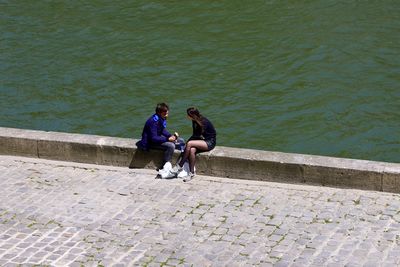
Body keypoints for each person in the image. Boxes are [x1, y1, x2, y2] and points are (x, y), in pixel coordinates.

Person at [171, 107, 216, 182]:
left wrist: (188, 142)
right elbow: (195, 134)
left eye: (188, 115)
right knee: (191, 150)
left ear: (192, 115)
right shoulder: (194, 121)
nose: (187, 116)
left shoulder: (203, 122)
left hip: (210, 141)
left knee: (190, 143)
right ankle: (191, 173)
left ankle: (180, 165)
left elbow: (198, 136)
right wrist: (188, 142)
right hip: (203, 140)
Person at [136, 103, 181, 167]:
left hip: (156, 139)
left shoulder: (161, 118)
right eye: (165, 112)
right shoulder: (153, 121)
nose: (167, 113)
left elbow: (162, 130)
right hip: (150, 142)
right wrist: (167, 139)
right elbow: (153, 138)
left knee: (180, 140)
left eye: (167, 111)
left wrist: (170, 136)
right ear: (159, 112)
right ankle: (165, 165)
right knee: (171, 146)